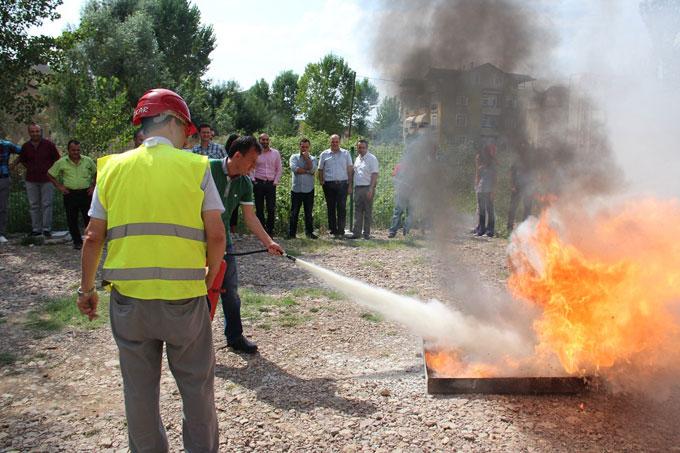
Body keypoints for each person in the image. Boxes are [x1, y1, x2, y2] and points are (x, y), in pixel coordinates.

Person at [77, 88, 226, 452]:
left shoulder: (112, 168)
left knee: (139, 394)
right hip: (184, 303)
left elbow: (93, 237)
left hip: (130, 304)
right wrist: (207, 283)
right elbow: (217, 236)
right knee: (197, 390)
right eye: (187, 129)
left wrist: (87, 290)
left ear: (143, 126)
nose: (188, 136)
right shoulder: (196, 168)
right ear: (173, 123)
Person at [210, 135, 284, 353]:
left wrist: (269, 242)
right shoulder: (207, 170)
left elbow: (250, 217)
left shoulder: (244, 183)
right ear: (237, 155)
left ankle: (234, 336)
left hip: (224, 242)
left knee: (230, 291)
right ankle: (194, 340)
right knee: (199, 292)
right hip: (197, 241)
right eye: (251, 162)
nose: (254, 167)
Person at [46, 140, 96, 249]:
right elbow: (50, 174)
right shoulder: (61, 162)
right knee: (72, 219)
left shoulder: (87, 161)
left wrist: (93, 186)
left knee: (89, 218)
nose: (76, 152)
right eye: (73, 150)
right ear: (68, 150)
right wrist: (59, 186)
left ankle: (90, 241)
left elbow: (98, 172)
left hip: (86, 193)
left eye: (78, 150)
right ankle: (77, 241)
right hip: (70, 194)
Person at [17, 123, 60, 237]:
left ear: (41, 132)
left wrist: (52, 171)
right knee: (34, 205)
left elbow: (57, 159)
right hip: (31, 179)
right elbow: (23, 160)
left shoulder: (49, 145)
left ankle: (46, 229)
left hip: (47, 179)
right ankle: (36, 229)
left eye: (37, 131)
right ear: (29, 133)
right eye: (32, 132)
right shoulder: (25, 146)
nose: (35, 133)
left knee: (47, 204)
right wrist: (30, 168)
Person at [318, 134, 353, 238]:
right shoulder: (324, 154)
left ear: (339, 142)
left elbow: (350, 169)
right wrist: (321, 181)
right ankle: (333, 230)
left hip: (342, 184)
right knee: (331, 208)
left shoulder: (346, 153)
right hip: (329, 185)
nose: (334, 144)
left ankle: (341, 231)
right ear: (330, 142)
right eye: (333, 142)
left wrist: (350, 184)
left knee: (342, 208)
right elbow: (320, 169)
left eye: (336, 142)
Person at [251, 133, 282, 236]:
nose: (265, 141)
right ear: (259, 141)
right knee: (259, 209)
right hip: (258, 183)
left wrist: (275, 182)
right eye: (263, 140)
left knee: (271, 208)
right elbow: (251, 167)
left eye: (266, 140)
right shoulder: (255, 153)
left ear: (269, 141)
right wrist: (253, 180)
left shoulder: (275, 153)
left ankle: (270, 230)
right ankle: (261, 231)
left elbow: (279, 168)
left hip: (270, 184)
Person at [288, 138, 318, 239]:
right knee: (294, 212)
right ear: (299, 146)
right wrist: (308, 171)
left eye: (306, 147)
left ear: (309, 147)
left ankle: (309, 233)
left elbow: (313, 169)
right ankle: (291, 234)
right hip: (296, 189)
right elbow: (295, 169)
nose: (304, 148)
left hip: (308, 189)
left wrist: (306, 159)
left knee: (308, 213)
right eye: (302, 146)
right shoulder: (294, 157)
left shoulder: (313, 158)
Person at [351, 139, 379, 239]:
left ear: (367, 148)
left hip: (368, 188)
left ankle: (366, 234)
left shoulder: (372, 158)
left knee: (367, 211)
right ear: (357, 148)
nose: (361, 149)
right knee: (357, 211)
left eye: (363, 147)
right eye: (359, 147)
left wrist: (371, 189)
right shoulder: (357, 159)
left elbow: (375, 174)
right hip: (358, 188)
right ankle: (356, 233)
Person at [507, 142, 534, 232]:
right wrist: (512, 185)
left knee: (527, 208)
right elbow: (511, 173)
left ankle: (525, 227)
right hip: (517, 187)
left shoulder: (530, 161)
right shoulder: (516, 161)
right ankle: (509, 226)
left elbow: (533, 175)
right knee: (513, 207)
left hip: (527, 188)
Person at [0, 138, 22, 243]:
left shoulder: (6, 145)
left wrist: (13, 164)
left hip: (3, 178)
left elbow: (24, 151)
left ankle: (1, 234)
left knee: (2, 207)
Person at [474, 143, 497, 237]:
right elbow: (477, 179)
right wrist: (477, 188)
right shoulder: (481, 167)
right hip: (481, 190)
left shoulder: (493, 167)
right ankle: (481, 229)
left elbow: (495, 180)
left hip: (489, 190)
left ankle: (490, 229)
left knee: (490, 210)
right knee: (482, 210)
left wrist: (494, 191)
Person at [387, 160, 411, 238]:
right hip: (401, 193)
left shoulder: (416, 167)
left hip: (412, 194)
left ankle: (406, 232)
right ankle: (392, 231)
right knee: (397, 212)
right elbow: (394, 178)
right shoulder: (399, 166)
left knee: (410, 213)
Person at [225, 133, 240, 236]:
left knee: (235, 206)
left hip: (236, 181)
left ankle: (233, 231)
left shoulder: (242, 153)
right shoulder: (224, 151)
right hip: (225, 181)